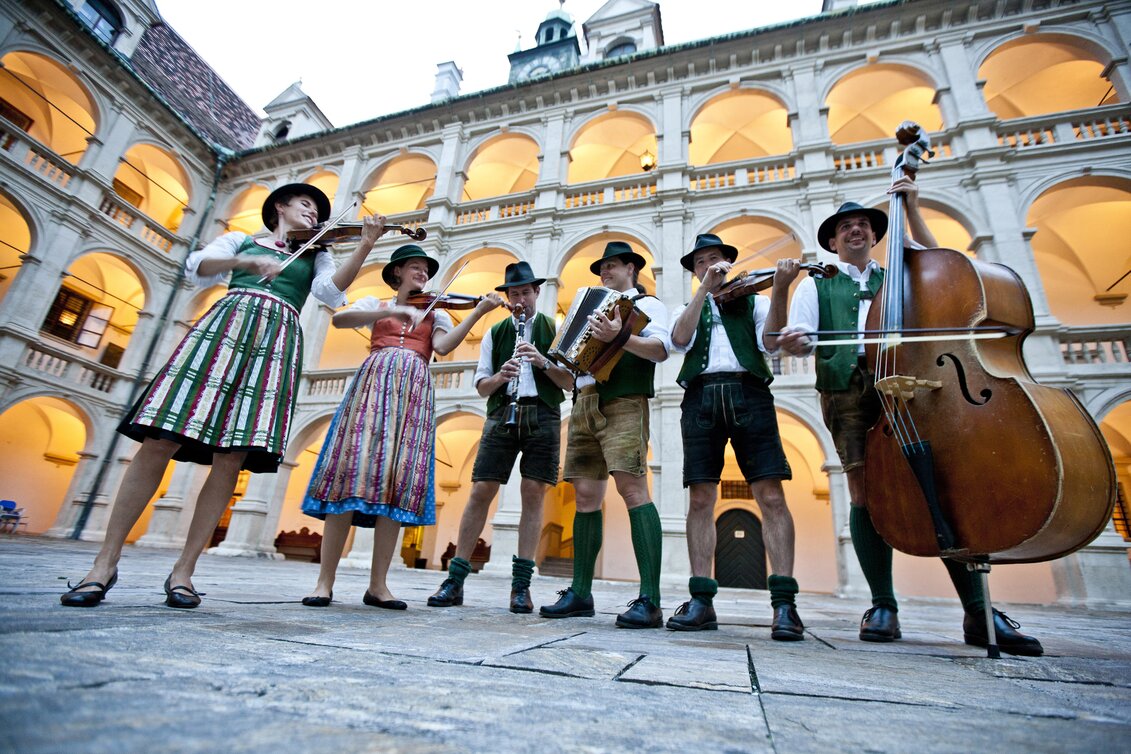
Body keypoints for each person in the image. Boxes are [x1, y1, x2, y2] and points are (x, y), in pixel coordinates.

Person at [61, 184, 387, 609]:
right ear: (280, 207)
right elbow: (197, 266)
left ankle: (184, 571)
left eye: (318, 210)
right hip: (223, 330)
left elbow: (329, 292)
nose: (313, 213)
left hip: (274, 342)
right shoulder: (241, 239)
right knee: (160, 439)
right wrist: (243, 260)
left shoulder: (316, 253)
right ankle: (104, 564)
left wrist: (363, 246)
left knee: (231, 456)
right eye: (306, 204)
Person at [766, 177, 1044, 656]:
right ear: (831, 241)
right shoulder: (817, 284)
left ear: (875, 236)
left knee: (939, 486)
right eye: (844, 227)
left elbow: (954, 272)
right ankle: (882, 605)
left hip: (911, 384)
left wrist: (912, 207)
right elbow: (803, 336)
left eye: (862, 225)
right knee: (864, 491)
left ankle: (978, 611)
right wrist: (797, 341)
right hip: (848, 389)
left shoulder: (901, 275)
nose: (854, 231)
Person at [300, 245, 504, 609]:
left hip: (412, 392)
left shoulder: (435, 312)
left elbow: (442, 346)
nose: (423, 273)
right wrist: (395, 309)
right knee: (350, 474)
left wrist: (476, 313)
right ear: (397, 273)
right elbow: (339, 320)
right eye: (415, 267)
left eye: (426, 269)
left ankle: (378, 585)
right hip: (372, 385)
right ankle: (324, 582)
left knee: (396, 482)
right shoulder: (376, 304)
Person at [665, 233, 804, 640]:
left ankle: (784, 605)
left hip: (750, 392)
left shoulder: (754, 300)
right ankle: (701, 600)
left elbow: (772, 343)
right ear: (694, 271)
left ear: (729, 262)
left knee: (772, 494)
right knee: (701, 498)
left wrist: (780, 289)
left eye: (716, 259)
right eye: (701, 262)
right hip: (700, 396)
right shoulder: (688, 305)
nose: (709, 266)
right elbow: (678, 339)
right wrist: (703, 293)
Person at [427, 261, 575, 613]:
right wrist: (501, 377)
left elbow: (568, 382)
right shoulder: (496, 332)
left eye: (526, 291)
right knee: (481, 490)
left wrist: (540, 361)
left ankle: (521, 586)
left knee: (533, 493)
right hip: (501, 410)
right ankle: (456, 579)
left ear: (537, 292)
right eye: (514, 293)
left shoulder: (555, 328)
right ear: (508, 298)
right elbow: (481, 386)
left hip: (543, 413)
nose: (520, 298)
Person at [539, 241, 670, 628]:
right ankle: (581, 592)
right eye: (601, 268)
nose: (603, 273)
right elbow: (569, 376)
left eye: (611, 266)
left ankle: (651, 598)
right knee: (584, 497)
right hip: (583, 400)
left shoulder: (648, 305)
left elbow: (660, 350)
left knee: (632, 490)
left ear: (632, 268)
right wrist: (544, 363)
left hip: (624, 400)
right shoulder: (591, 306)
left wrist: (619, 336)